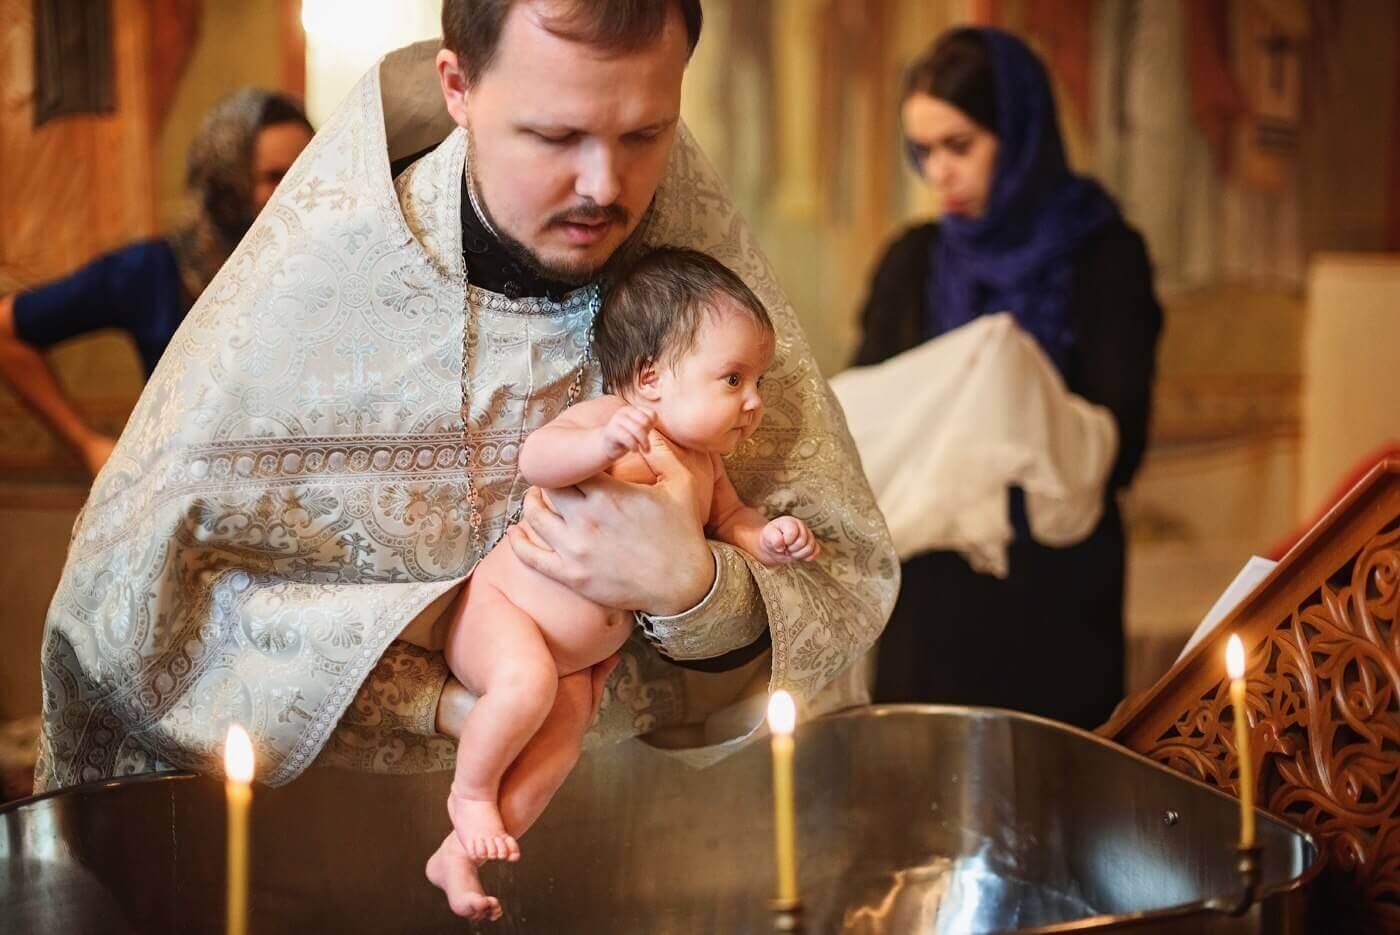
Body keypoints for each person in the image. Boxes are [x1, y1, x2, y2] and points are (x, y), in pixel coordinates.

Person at [34, 0, 898, 921]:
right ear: (459, 87)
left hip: (633, 849)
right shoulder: (320, 279)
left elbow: (836, 578)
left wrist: (694, 587)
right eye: (554, 134)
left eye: (647, 132)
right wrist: (446, 698)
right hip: (306, 851)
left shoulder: (705, 293)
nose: (605, 184)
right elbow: (132, 616)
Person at [436, 247, 819, 919]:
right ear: (649, 377)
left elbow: (731, 520)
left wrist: (769, 537)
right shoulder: (609, 420)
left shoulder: (704, 464)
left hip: (578, 665)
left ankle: (458, 856)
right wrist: (601, 447)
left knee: (556, 751)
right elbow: (537, 458)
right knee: (522, 686)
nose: (755, 402)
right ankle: (469, 794)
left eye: (757, 380)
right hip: (504, 615)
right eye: (733, 379)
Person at [853, 27, 1162, 729]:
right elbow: (869, 417)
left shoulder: (1104, 256)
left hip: (1056, 597)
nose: (938, 174)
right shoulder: (913, 261)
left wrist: (1011, 402)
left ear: (1019, 131)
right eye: (922, 151)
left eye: (959, 146)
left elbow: (1125, 441)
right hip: (930, 599)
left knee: (1059, 807)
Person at [0, 89, 313, 475]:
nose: (296, 191)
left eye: (305, 172)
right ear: (227, 180)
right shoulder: (153, 269)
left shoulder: (327, 268)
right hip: (191, 517)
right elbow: (6, 331)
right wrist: (88, 445)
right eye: (274, 176)